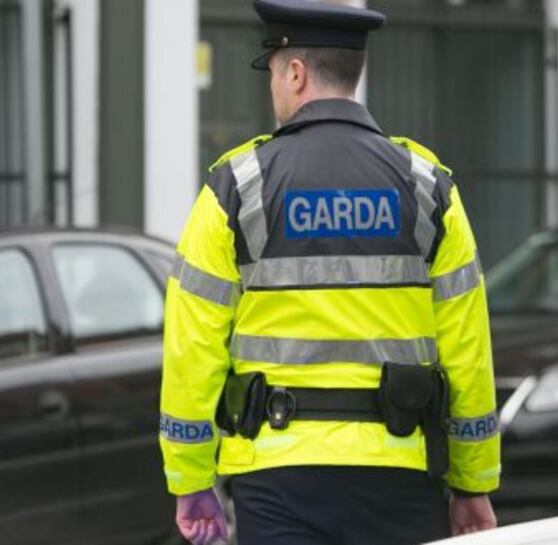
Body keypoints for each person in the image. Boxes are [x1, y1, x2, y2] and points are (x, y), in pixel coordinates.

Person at [158, 1, 499, 543]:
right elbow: (468, 349)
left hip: (276, 478)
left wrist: (191, 478)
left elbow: (192, 346)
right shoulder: (427, 187)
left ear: (295, 73)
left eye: (273, 72)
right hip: (400, 476)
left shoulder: (236, 188)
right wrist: (472, 482)